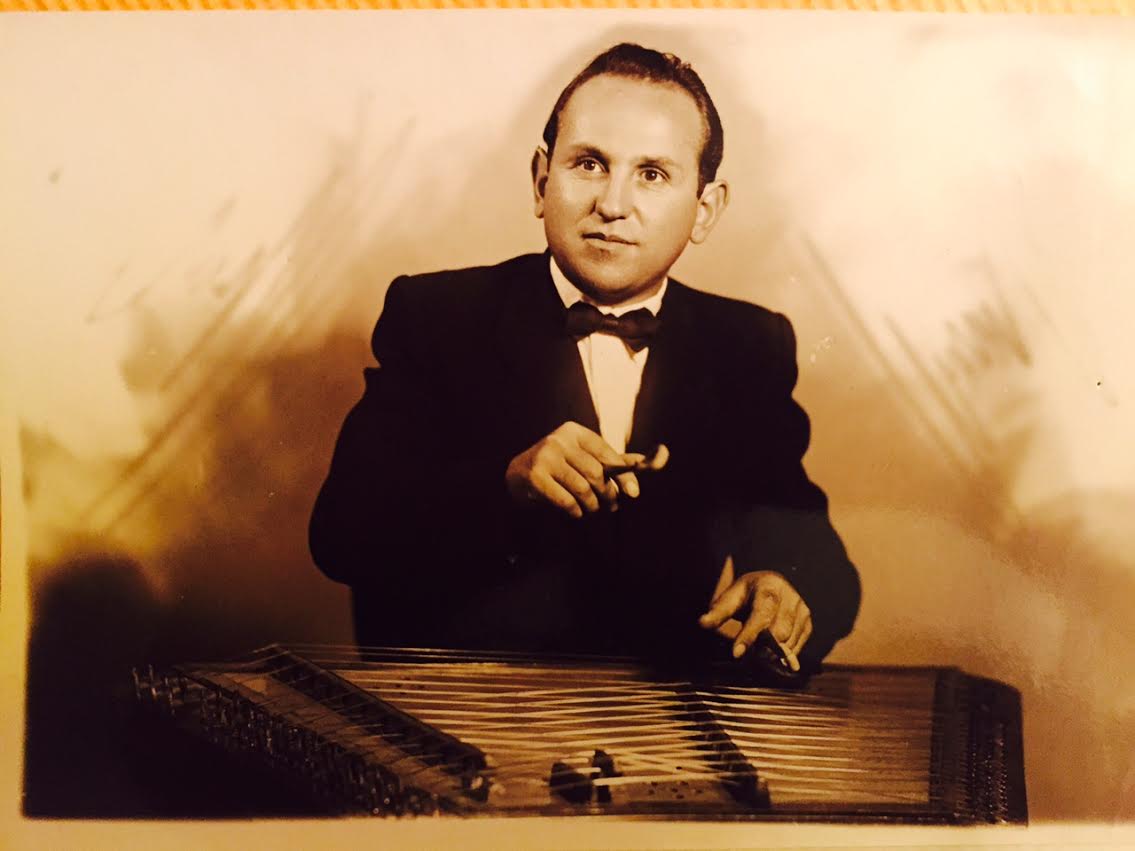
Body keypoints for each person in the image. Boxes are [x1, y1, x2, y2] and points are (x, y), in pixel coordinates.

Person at [309, 43, 860, 673]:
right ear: (542, 181)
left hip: (657, 722)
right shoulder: (435, 315)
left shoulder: (746, 345)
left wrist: (785, 586)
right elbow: (342, 535)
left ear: (704, 210)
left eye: (652, 174)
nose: (613, 204)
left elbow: (819, 561)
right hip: (460, 712)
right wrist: (507, 483)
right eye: (590, 164)